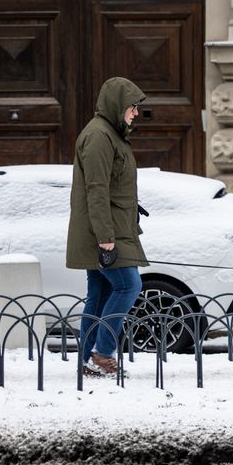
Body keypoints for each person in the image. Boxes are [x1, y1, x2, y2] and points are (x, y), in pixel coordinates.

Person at [66, 77, 149, 377]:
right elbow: (96, 189)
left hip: (112, 229)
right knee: (129, 285)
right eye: (132, 107)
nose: (135, 113)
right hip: (105, 233)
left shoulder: (110, 134)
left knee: (100, 293)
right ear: (117, 104)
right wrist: (105, 238)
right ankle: (102, 354)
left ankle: (88, 358)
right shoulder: (100, 136)